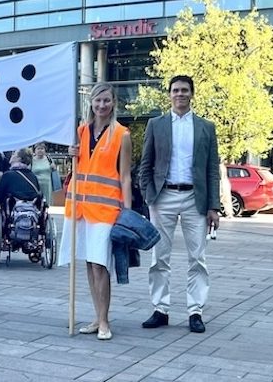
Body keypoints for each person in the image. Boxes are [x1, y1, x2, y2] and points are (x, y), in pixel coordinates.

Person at [139, 75, 220, 334]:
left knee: (198, 258)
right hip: (163, 198)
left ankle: (195, 311)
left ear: (192, 94)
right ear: (169, 94)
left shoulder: (206, 127)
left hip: (195, 198)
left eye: (184, 90)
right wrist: (149, 197)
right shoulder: (156, 124)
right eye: (175, 90)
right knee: (159, 257)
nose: (180, 94)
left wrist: (214, 206)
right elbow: (145, 165)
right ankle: (160, 309)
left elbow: (211, 170)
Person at [58, 83, 132, 341]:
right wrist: (71, 154)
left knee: (101, 264)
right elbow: (78, 168)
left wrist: (128, 212)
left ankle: (104, 320)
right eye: (98, 100)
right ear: (91, 102)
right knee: (89, 264)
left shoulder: (121, 134)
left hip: (106, 208)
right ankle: (97, 316)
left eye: (107, 101)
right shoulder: (80, 131)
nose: (102, 105)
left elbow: (124, 176)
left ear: (113, 103)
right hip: (79, 206)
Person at [31, 142, 56, 206]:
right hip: (35, 185)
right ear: (35, 150)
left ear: (45, 150)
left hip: (47, 184)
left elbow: (54, 170)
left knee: (47, 202)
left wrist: (54, 167)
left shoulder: (49, 159)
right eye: (38, 149)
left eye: (42, 148)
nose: (40, 150)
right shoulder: (31, 160)